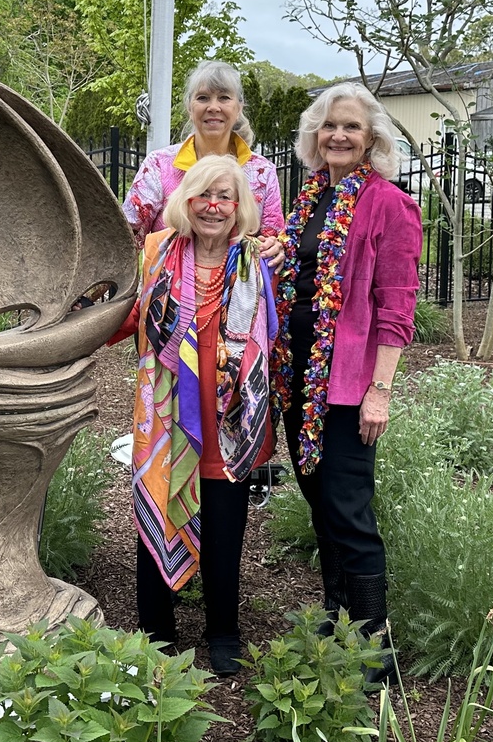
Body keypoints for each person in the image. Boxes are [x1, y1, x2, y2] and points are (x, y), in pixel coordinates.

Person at [267, 82, 421, 681]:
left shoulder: (388, 204)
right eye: (330, 125)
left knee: (349, 508)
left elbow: (396, 309)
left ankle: (377, 651)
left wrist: (379, 391)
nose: (339, 135)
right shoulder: (310, 201)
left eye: (352, 127)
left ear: (372, 138)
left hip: (348, 385)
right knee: (320, 501)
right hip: (298, 378)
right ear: (315, 135)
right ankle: (337, 620)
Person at [118, 154, 277, 676]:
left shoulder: (253, 261)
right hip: (165, 415)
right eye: (204, 195)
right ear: (185, 201)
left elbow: (271, 339)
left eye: (225, 197)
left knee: (226, 526)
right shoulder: (157, 250)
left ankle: (223, 631)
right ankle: (157, 631)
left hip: (227, 417)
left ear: (239, 207)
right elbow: (133, 315)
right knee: (157, 512)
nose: (214, 206)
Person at [123, 60, 285, 246]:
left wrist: (275, 246)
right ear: (189, 107)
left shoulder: (262, 172)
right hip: (168, 275)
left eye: (224, 97)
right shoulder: (159, 165)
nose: (213, 107)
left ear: (239, 108)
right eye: (203, 98)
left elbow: (272, 241)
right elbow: (127, 238)